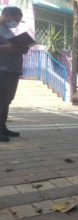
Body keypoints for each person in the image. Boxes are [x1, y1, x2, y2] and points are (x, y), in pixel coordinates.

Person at [0, 6, 29, 142]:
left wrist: (22, 49)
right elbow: (7, 48)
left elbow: (13, 47)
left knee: (6, 100)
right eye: (15, 19)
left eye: (19, 21)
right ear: (6, 15)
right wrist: (10, 48)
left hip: (13, 70)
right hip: (2, 70)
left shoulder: (8, 31)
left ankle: (2, 127)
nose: (16, 23)